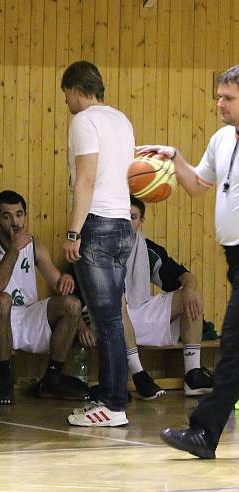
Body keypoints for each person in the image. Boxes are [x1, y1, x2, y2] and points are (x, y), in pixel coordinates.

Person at [145, 65, 239, 459]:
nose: (219, 103)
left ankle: (204, 433)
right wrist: (174, 158)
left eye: (228, 98)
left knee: (233, 348)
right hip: (234, 258)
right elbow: (198, 185)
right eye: (218, 96)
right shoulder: (221, 140)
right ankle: (204, 434)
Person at [60, 61, 134, 427]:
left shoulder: (84, 121)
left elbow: (85, 180)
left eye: (66, 96)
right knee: (112, 319)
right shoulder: (122, 120)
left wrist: (73, 232)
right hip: (123, 224)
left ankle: (113, 403)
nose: (67, 103)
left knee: (106, 321)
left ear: (75, 89)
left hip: (97, 225)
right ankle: (112, 398)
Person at [0, 190, 88, 405]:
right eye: (7, 216)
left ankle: (52, 377)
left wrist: (66, 278)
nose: (15, 222)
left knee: (72, 304)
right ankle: (5, 379)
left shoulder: (35, 245)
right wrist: (13, 250)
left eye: (19, 214)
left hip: (30, 314)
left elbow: (59, 284)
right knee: (0, 300)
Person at [120, 196, 214, 400]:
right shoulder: (101, 246)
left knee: (192, 296)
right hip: (112, 318)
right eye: (123, 216)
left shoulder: (148, 249)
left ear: (141, 221)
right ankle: (140, 375)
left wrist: (189, 289)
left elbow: (185, 276)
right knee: (117, 299)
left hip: (140, 313)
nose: (128, 222)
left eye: (133, 217)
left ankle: (193, 375)